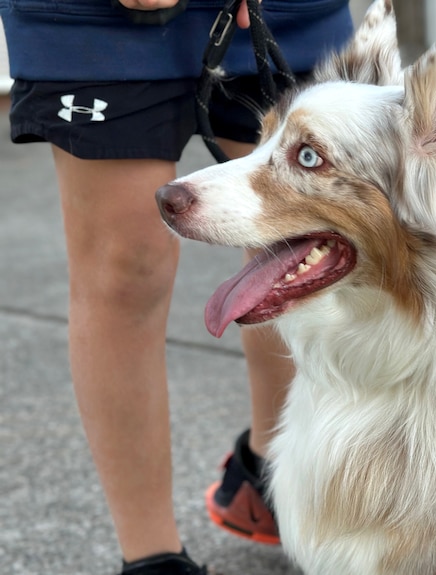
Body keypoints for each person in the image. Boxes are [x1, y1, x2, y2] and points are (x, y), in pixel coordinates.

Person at [0, 1, 353, 573]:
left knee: (301, 242)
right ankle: (152, 557)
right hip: (96, 22)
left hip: (281, 9)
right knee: (125, 269)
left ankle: (274, 478)